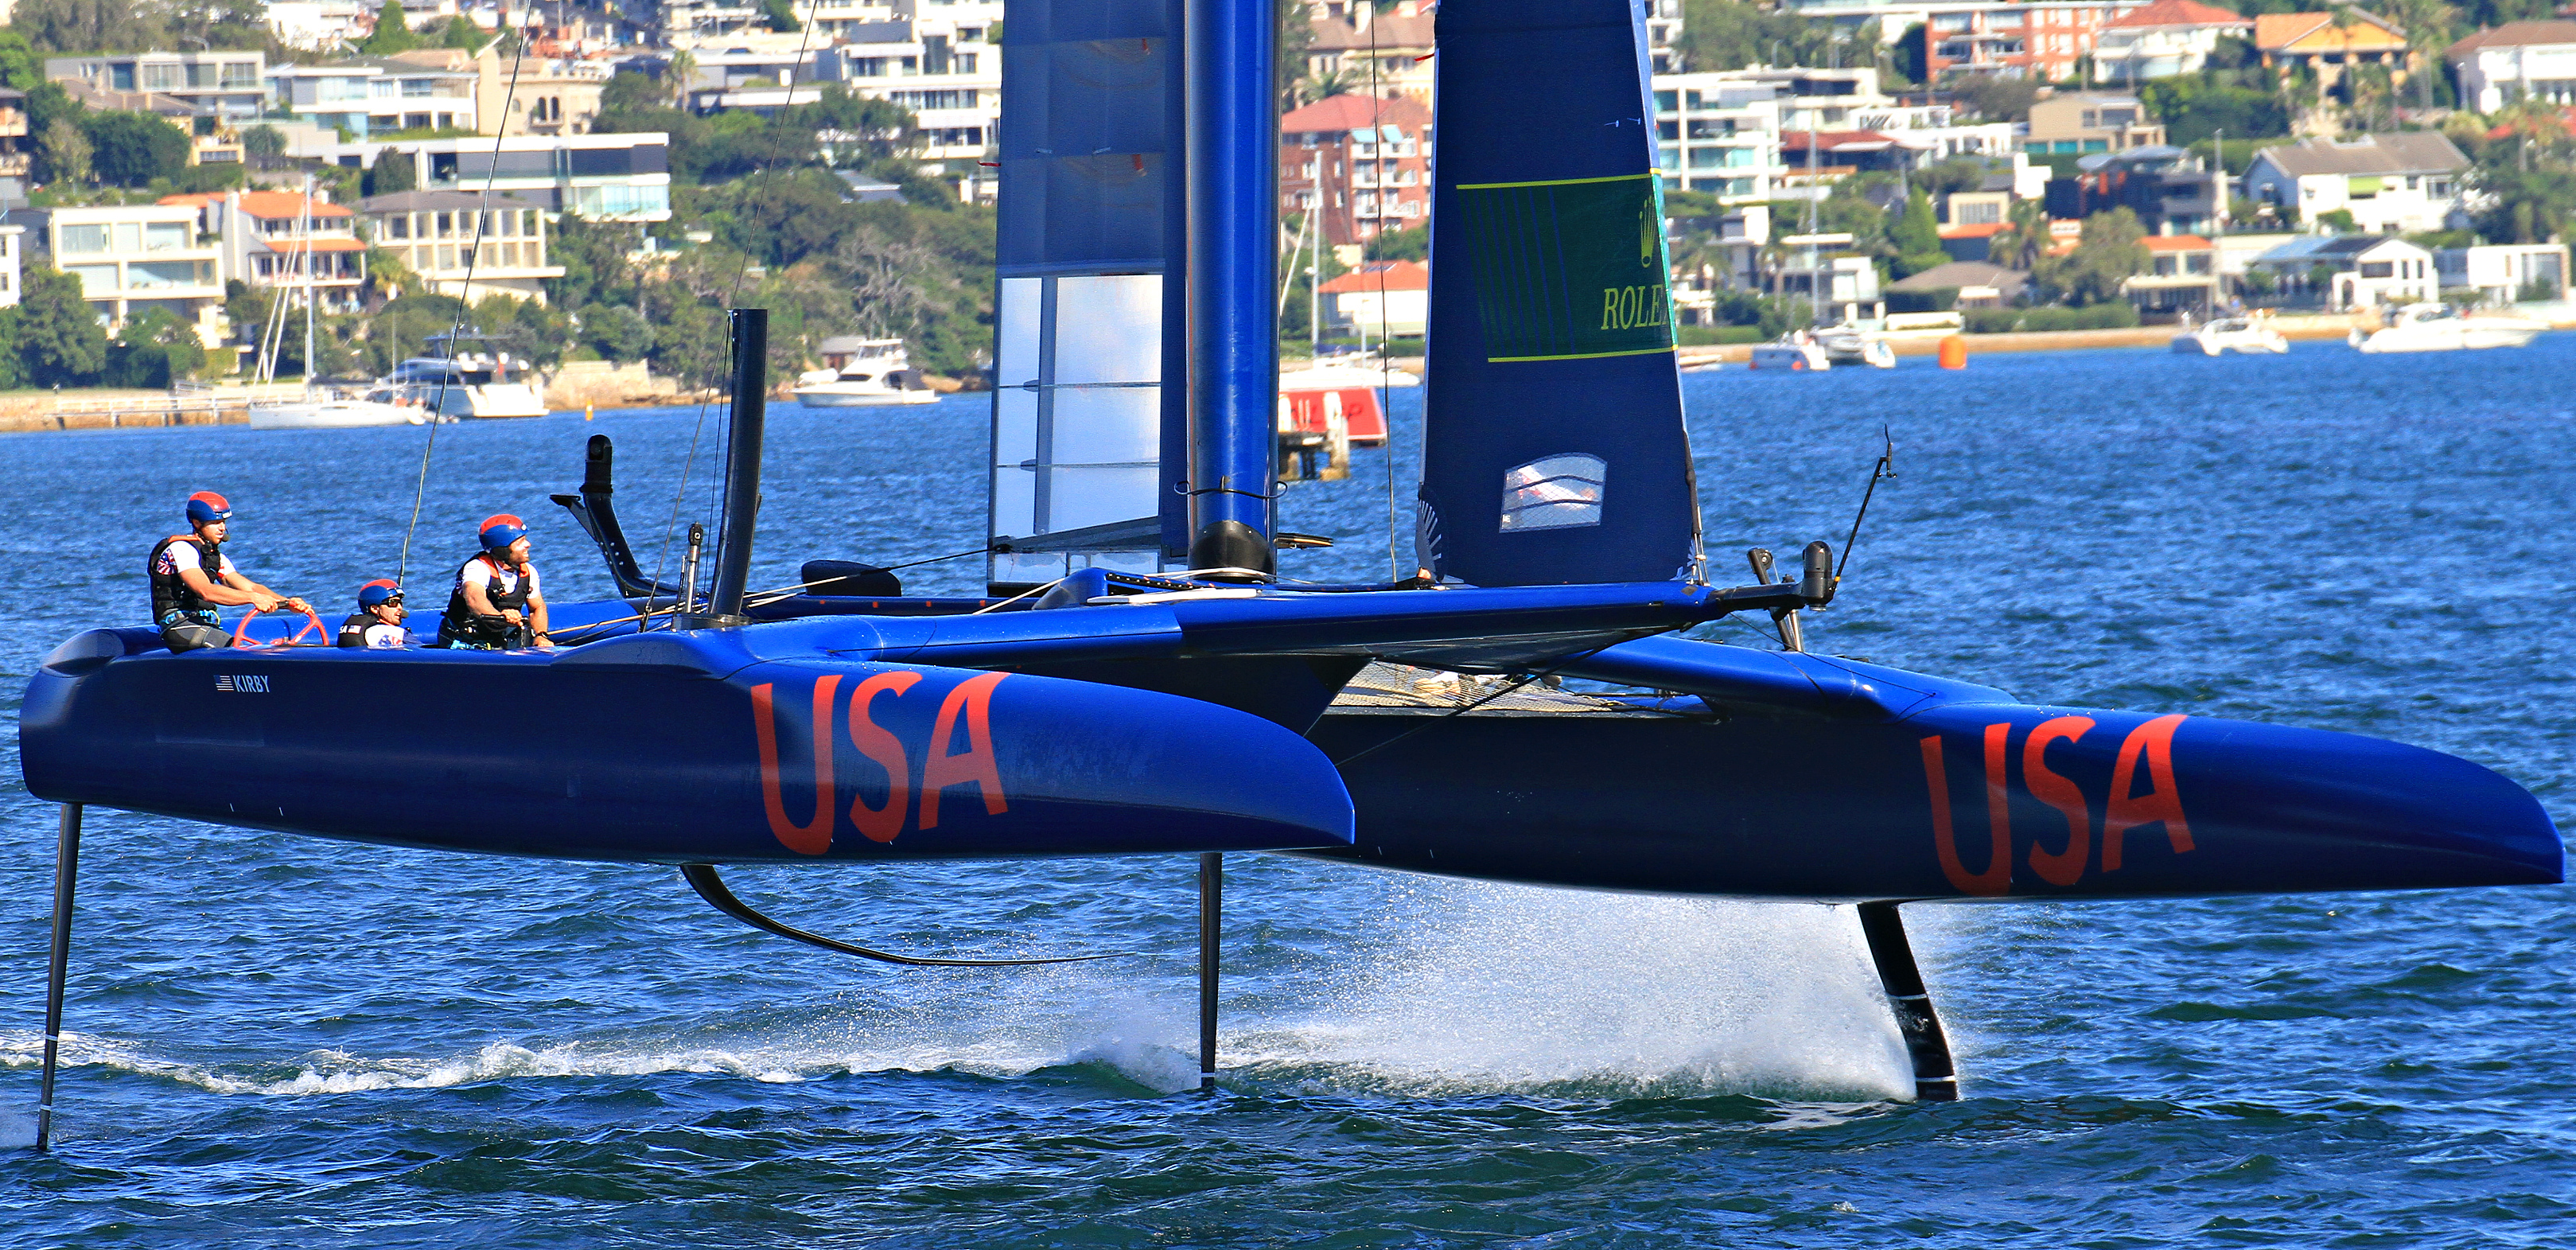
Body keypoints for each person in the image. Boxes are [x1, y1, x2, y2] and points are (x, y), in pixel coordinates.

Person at [147, 491, 312, 653]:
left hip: (204, 625)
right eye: (215, 523)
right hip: (179, 627)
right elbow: (206, 591)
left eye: (224, 522)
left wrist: (288, 603)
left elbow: (252, 588)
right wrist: (252, 599)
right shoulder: (181, 549)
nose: (222, 528)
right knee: (235, 649)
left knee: (260, 647)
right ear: (197, 523)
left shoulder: (216, 558)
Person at [437, 514, 552, 649]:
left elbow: (537, 607)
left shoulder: (529, 572)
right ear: (502, 549)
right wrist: (500, 616)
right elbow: (475, 598)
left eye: (526, 540)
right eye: (520, 542)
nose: (528, 545)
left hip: (498, 638)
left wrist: (541, 635)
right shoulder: (477, 568)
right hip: (464, 640)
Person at [337, 579, 409, 648]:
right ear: (374, 609)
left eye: (400, 603)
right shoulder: (394, 633)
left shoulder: (366, 632)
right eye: (393, 603)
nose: (400, 607)